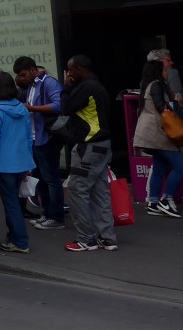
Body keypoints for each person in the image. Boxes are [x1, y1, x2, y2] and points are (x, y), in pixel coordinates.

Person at [59, 54, 116, 252]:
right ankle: (107, 238)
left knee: (77, 189)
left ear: (81, 69)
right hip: (103, 145)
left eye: (70, 69)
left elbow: (65, 108)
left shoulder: (85, 88)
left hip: (88, 147)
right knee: (100, 191)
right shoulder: (98, 86)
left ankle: (86, 239)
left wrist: (66, 87)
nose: (69, 73)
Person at [0, 70, 35, 254]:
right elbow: (29, 138)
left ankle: (19, 241)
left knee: (10, 203)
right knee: (15, 201)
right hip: (21, 162)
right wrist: (29, 162)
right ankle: (14, 238)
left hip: (4, 164)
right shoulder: (22, 108)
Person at [13, 55, 65, 230]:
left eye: (23, 74)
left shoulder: (49, 82)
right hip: (36, 138)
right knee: (41, 179)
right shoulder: (31, 86)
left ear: (33, 70)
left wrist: (32, 108)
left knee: (51, 179)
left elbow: (58, 105)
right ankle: (47, 213)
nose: (21, 78)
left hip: (47, 138)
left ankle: (57, 217)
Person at [132, 52, 183, 218]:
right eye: (164, 70)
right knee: (179, 167)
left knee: (159, 167)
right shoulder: (157, 85)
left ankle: (153, 202)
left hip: (148, 133)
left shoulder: (146, 84)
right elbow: (162, 108)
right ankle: (166, 199)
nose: (167, 73)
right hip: (158, 133)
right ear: (158, 71)